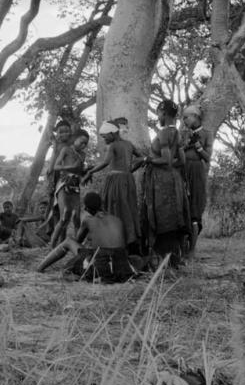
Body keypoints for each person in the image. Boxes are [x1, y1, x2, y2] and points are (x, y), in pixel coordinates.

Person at [37, 191, 146, 283]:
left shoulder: (88, 220)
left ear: (86, 208)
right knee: (136, 259)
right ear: (101, 204)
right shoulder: (116, 219)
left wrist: (89, 235)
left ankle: (40, 268)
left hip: (101, 265)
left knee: (68, 241)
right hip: (122, 266)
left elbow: (77, 241)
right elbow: (121, 243)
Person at [140, 99, 191, 267]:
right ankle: (175, 259)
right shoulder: (177, 133)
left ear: (164, 113)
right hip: (173, 179)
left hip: (162, 182)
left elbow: (167, 160)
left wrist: (148, 159)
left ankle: (165, 260)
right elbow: (181, 161)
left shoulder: (163, 133)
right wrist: (171, 174)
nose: (158, 117)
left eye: (158, 114)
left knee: (162, 217)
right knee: (174, 216)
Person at [81, 121, 143, 253]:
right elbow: (142, 158)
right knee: (128, 208)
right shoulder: (129, 144)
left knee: (114, 207)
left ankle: (117, 240)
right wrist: (130, 170)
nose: (104, 139)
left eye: (104, 137)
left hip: (115, 181)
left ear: (112, 133)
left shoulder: (113, 145)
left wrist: (90, 172)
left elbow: (105, 162)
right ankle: (130, 240)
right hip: (128, 179)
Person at [181, 105, 214, 257]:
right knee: (181, 206)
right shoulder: (182, 134)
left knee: (195, 208)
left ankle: (192, 250)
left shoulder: (207, 134)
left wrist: (198, 146)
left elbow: (207, 158)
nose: (184, 120)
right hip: (182, 170)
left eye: (186, 117)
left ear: (195, 116)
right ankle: (181, 248)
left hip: (196, 172)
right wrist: (187, 144)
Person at [49, 128, 91, 248]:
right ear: (74, 139)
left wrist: (86, 171)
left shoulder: (83, 155)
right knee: (64, 217)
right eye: (81, 141)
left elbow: (80, 171)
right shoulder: (66, 149)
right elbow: (56, 167)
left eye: (85, 144)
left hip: (75, 186)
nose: (83, 145)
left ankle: (77, 246)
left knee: (76, 218)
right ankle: (52, 247)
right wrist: (70, 166)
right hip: (64, 184)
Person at [45, 118, 73, 236]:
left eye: (66, 131)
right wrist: (49, 171)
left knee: (64, 208)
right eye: (60, 132)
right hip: (55, 177)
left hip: (66, 177)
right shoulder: (57, 145)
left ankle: (62, 236)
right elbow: (52, 161)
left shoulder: (72, 145)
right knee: (54, 207)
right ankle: (53, 235)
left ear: (70, 132)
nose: (63, 134)